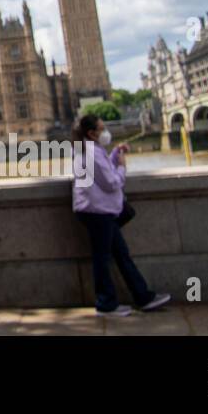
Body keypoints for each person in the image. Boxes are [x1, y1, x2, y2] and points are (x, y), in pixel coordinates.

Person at [71, 113, 171, 317]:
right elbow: (112, 183)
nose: (105, 131)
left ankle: (143, 297)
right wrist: (122, 166)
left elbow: (101, 171)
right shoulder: (91, 152)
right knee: (103, 259)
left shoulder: (88, 149)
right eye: (101, 128)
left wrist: (114, 154)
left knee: (121, 255)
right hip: (97, 212)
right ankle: (106, 303)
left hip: (95, 210)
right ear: (91, 133)